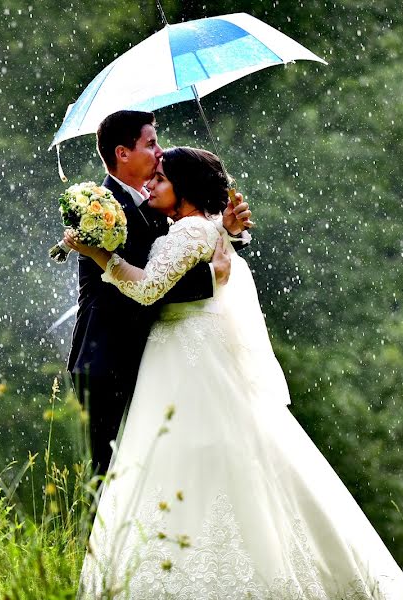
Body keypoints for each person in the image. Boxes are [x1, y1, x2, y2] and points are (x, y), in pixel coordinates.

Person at [65, 147, 403, 599]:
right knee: (207, 455)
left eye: (161, 178)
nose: (152, 183)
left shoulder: (189, 229)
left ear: (184, 189)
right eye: (152, 176)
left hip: (184, 355)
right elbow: (201, 252)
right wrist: (227, 229)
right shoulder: (197, 227)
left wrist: (99, 256)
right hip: (182, 349)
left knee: (186, 457)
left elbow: (150, 288)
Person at [67, 110, 252, 475]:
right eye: (151, 143)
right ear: (122, 153)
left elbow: (184, 244)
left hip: (158, 352)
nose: (159, 151)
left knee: (159, 465)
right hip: (108, 356)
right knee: (108, 475)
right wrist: (211, 277)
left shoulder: (161, 202)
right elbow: (150, 284)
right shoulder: (98, 211)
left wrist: (226, 231)